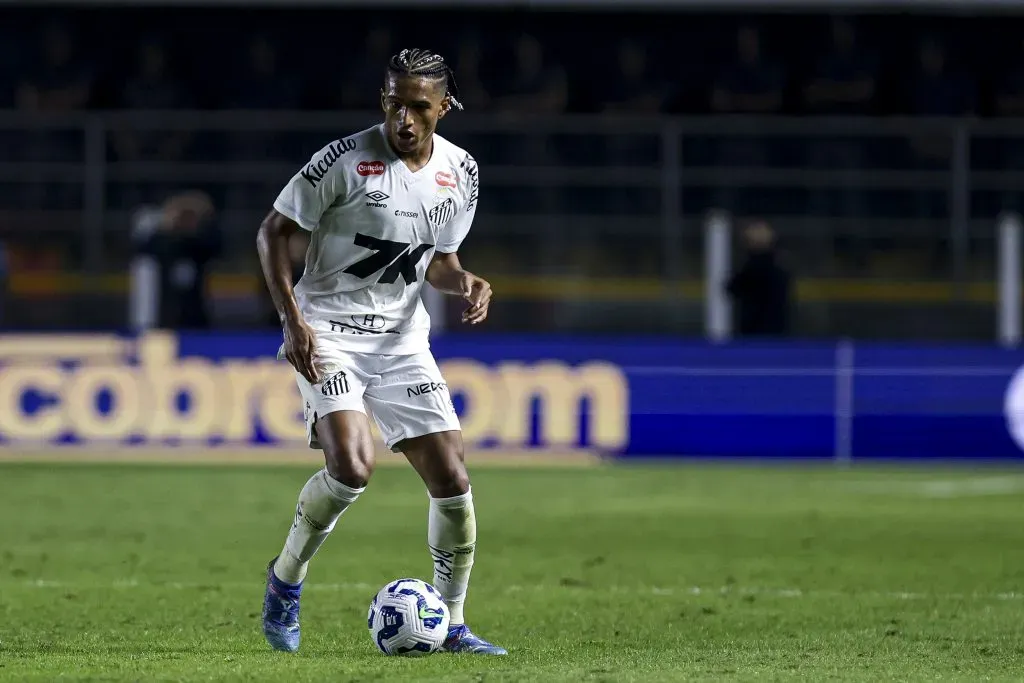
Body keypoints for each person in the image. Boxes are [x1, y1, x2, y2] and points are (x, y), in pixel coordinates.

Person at [256, 48, 504, 656]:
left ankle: (450, 624)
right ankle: (286, 579)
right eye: (394, 103)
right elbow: (273, 233)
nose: (405, 119)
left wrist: (467, 281)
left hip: (401, 342)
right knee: (352, 467)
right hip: (329, 331)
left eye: (420, 106)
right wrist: (292, 322)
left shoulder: (461, 171)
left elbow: (437, 263)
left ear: (445, 107)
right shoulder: (343, 161)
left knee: (453, 476)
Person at [726, 220, 792, 337]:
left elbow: (732, 288)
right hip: (775, 332)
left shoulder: (750, 269)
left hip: (754, 333)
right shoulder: (779, 267)